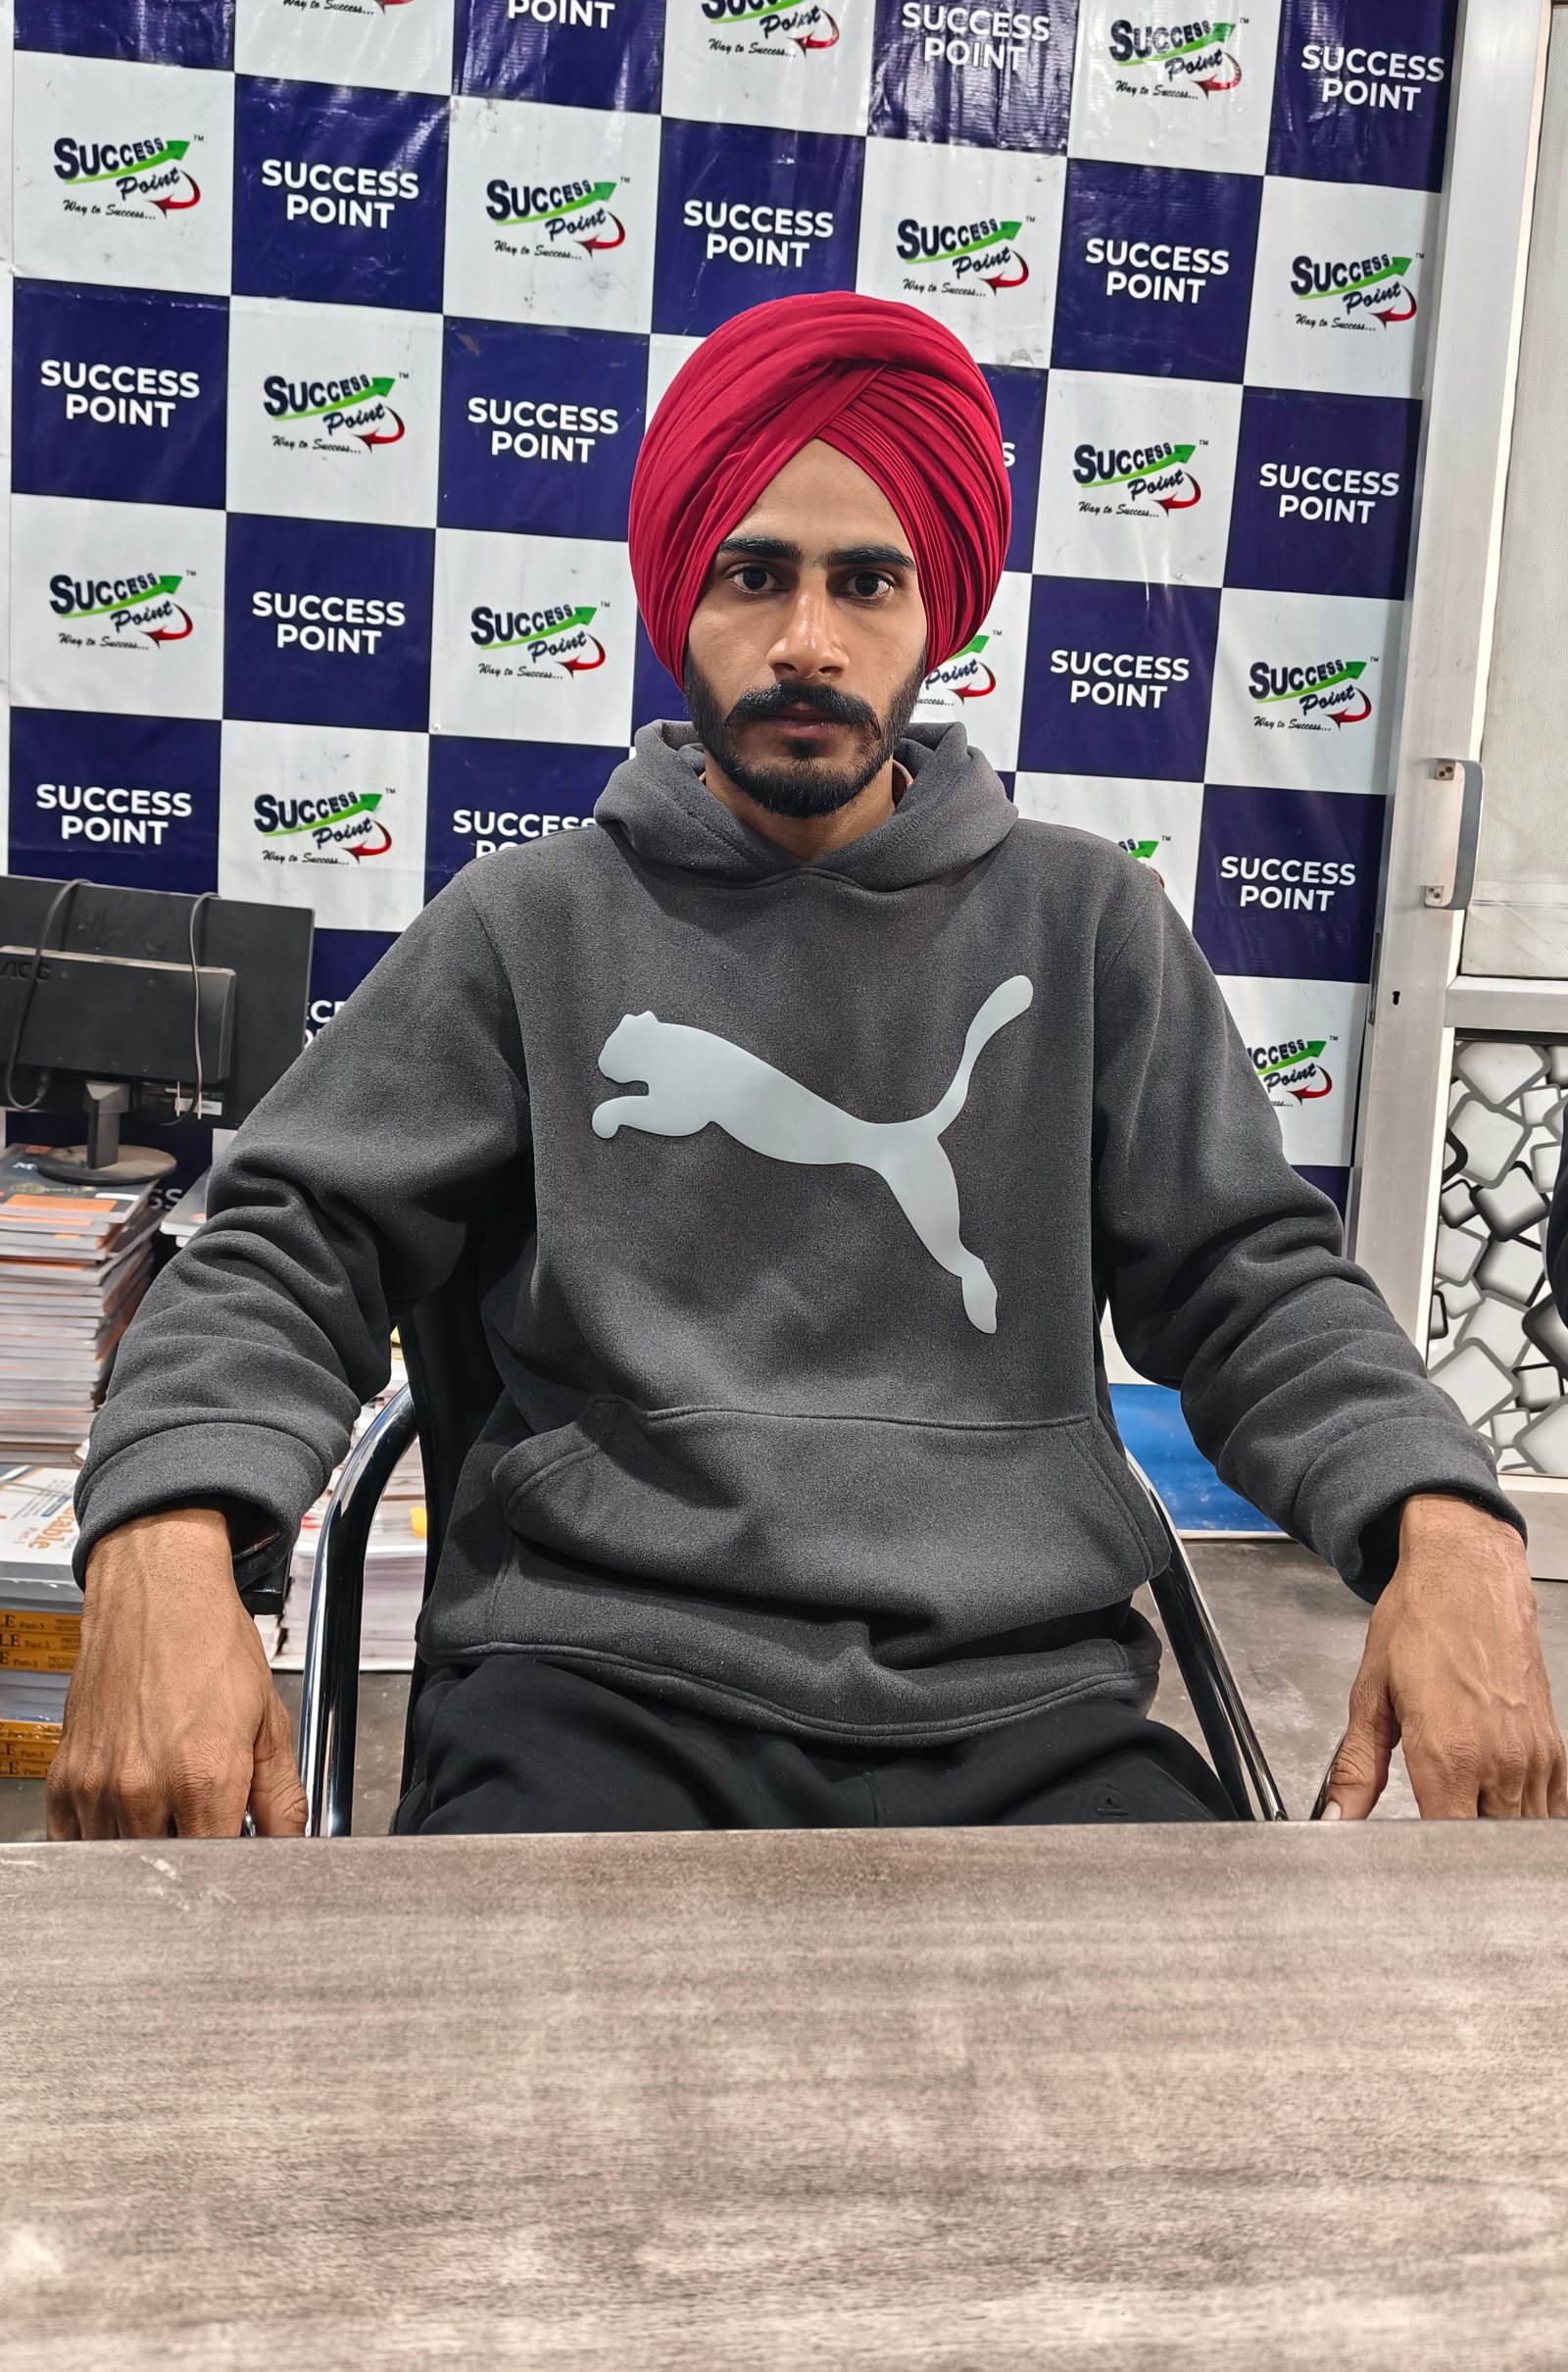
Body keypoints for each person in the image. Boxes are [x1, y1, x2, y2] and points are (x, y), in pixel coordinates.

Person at [49, 293, 1565, 1839]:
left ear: (938, 609)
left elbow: (1257, 1280)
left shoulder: (1089, 922)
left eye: (867, 581)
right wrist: (164, 1530)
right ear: (680, 597)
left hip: (1021, 1696)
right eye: (755, 574)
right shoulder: (525, 927)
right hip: (589, 1685)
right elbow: (284, 1244)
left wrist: (1446, 1521)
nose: (808, 642)